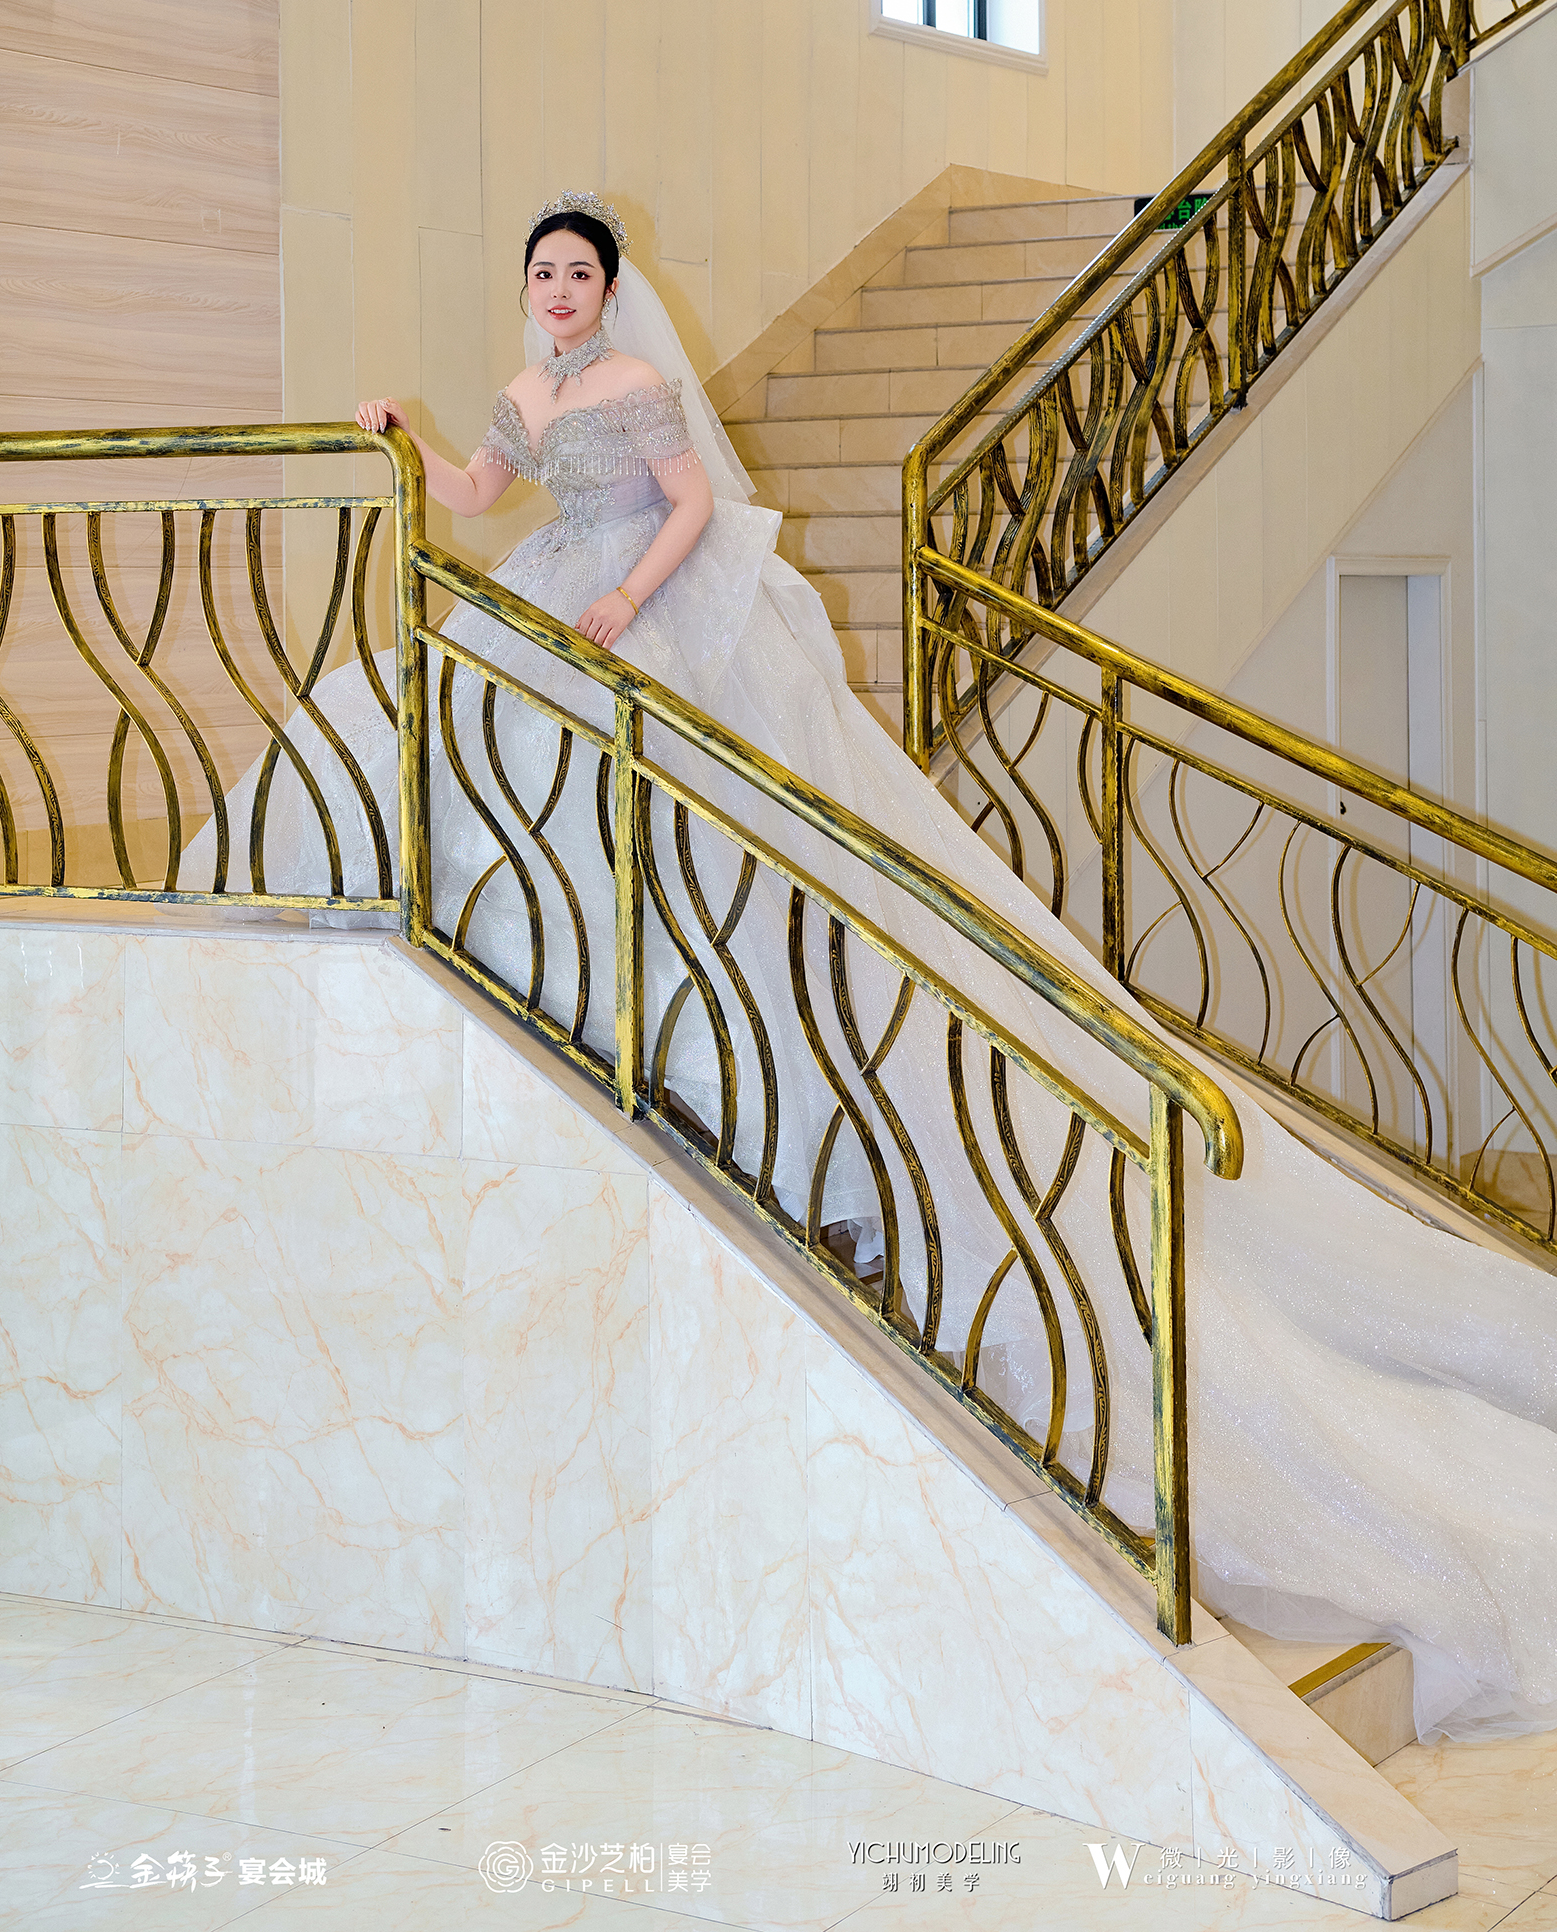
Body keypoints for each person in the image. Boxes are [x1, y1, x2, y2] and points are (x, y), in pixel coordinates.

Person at [213, 192, 1557, 1745]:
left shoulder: (636, 389)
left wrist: (630, 596)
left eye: (579, 271)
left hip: (637, 610)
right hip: (555, 598)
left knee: (706, 831)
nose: (561, 290)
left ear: (610, 287)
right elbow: (469, 493)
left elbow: (692, 505)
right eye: (544, 273)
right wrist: (408, 437)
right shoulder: (526, 393)